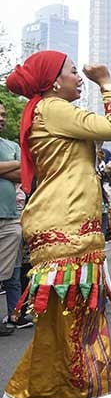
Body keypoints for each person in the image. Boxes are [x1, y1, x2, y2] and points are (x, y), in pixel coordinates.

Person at [1, 52, 111, 398]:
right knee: (75, 307)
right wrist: (107, 84)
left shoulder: (47, 110)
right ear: (54, 81)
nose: (79, 77)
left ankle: (35, 385)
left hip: (60, 219)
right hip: (66, 221)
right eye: (73, 72)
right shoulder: (54, 109)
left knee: (62, 308)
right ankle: (72, 391)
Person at [0, 102, 22, 337]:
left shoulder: (11, 145)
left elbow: (23, 174)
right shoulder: (15, 152)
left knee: (7, 274)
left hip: (10, 218)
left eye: (4, 115)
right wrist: (17, 163)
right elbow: (18, 168)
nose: (2, 118)